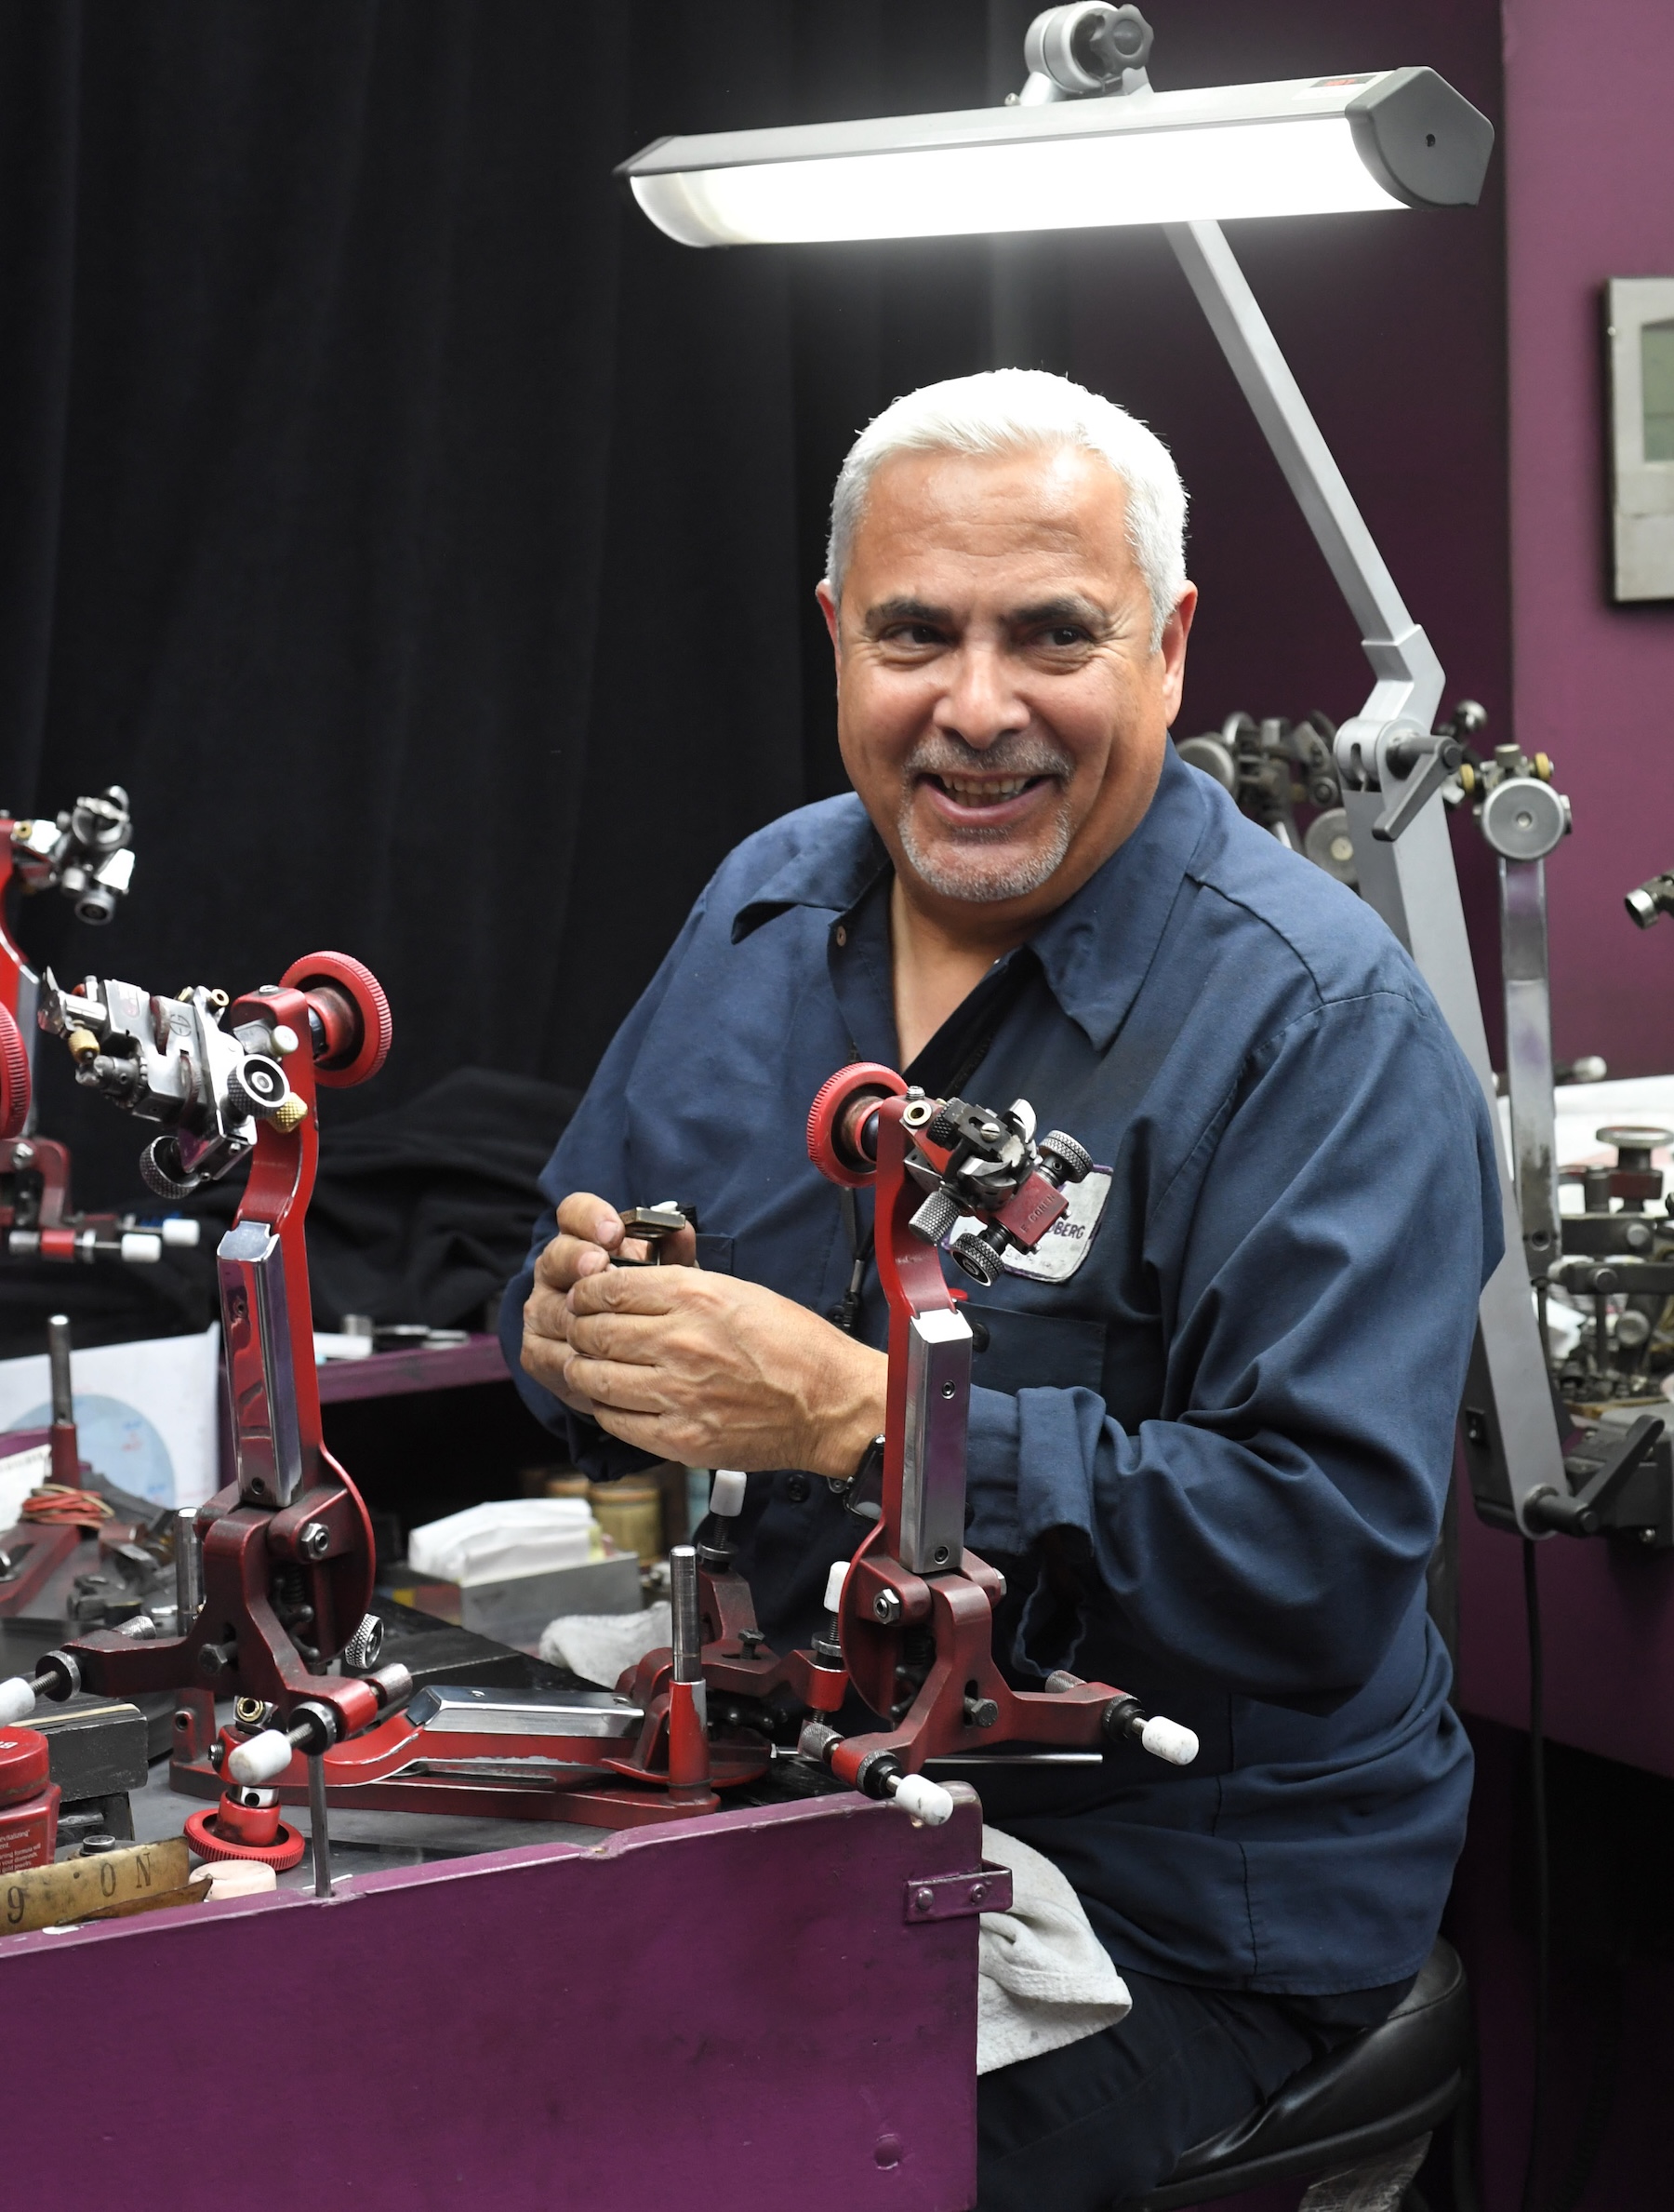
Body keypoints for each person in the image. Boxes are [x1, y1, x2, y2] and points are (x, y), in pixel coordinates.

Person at [502, 370, 1496, 2208]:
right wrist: (574, 1333)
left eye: (1052, 635)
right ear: (834, 640)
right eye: (914, 635)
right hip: (806, 1807)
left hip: (1175, 1899)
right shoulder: (765, 905)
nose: (976, 709)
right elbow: (557, 1295)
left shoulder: (1321, 1028)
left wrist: (853, 1416)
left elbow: (1321, 1552)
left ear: (1173, 644)